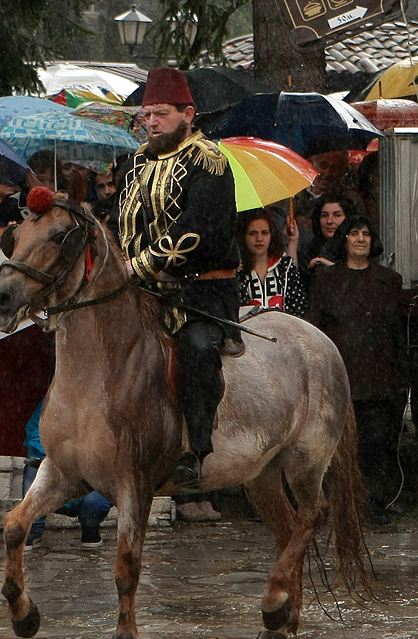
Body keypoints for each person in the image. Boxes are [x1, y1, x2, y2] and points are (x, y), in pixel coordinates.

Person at [118, 67, 240, 491]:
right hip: (141, 289)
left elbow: (197, 228)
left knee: (196, 346)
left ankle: (195, 447)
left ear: (188, 114)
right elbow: (124, 224)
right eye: (147, 114)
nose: (151, 122)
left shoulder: (210, 159)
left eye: (161, 113)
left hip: (201, 291)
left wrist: (143, 264)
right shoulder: (135, 162)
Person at [306, 215, 407, 523]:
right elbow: (314, 328)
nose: (361, 238)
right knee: (333, 448)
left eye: (366, 233)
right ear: (345, 239)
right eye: (354, 233)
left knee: (374, 445)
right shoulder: (326, 281)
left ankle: (373, 502)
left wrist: (400, 379)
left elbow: (397, 334)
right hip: (338, 376)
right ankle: (335, 504)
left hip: (377, 376)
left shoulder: (389, 280)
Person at [21, 400, 111, 550]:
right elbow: (35, 437)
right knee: (33, 470)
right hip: (54, 476)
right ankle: (33, 528)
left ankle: (90, 528)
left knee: (94, 503)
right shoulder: (51, 403)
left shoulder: (105, 406)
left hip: (91, 478)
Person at [236, 207, 305, 317]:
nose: (259, 238)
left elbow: (299, 311)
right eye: (252, 233)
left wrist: (293, 241)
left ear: (271, 235)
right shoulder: (237, 272)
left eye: (264, 233)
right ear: (243, 237)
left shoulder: (286, 267)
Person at [298, 193, 355, 274]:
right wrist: (293, 241)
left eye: (337, 215)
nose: (329, 221)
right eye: (324, 215)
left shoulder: (357, 248)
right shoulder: (309, 249)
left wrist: (331, 267)